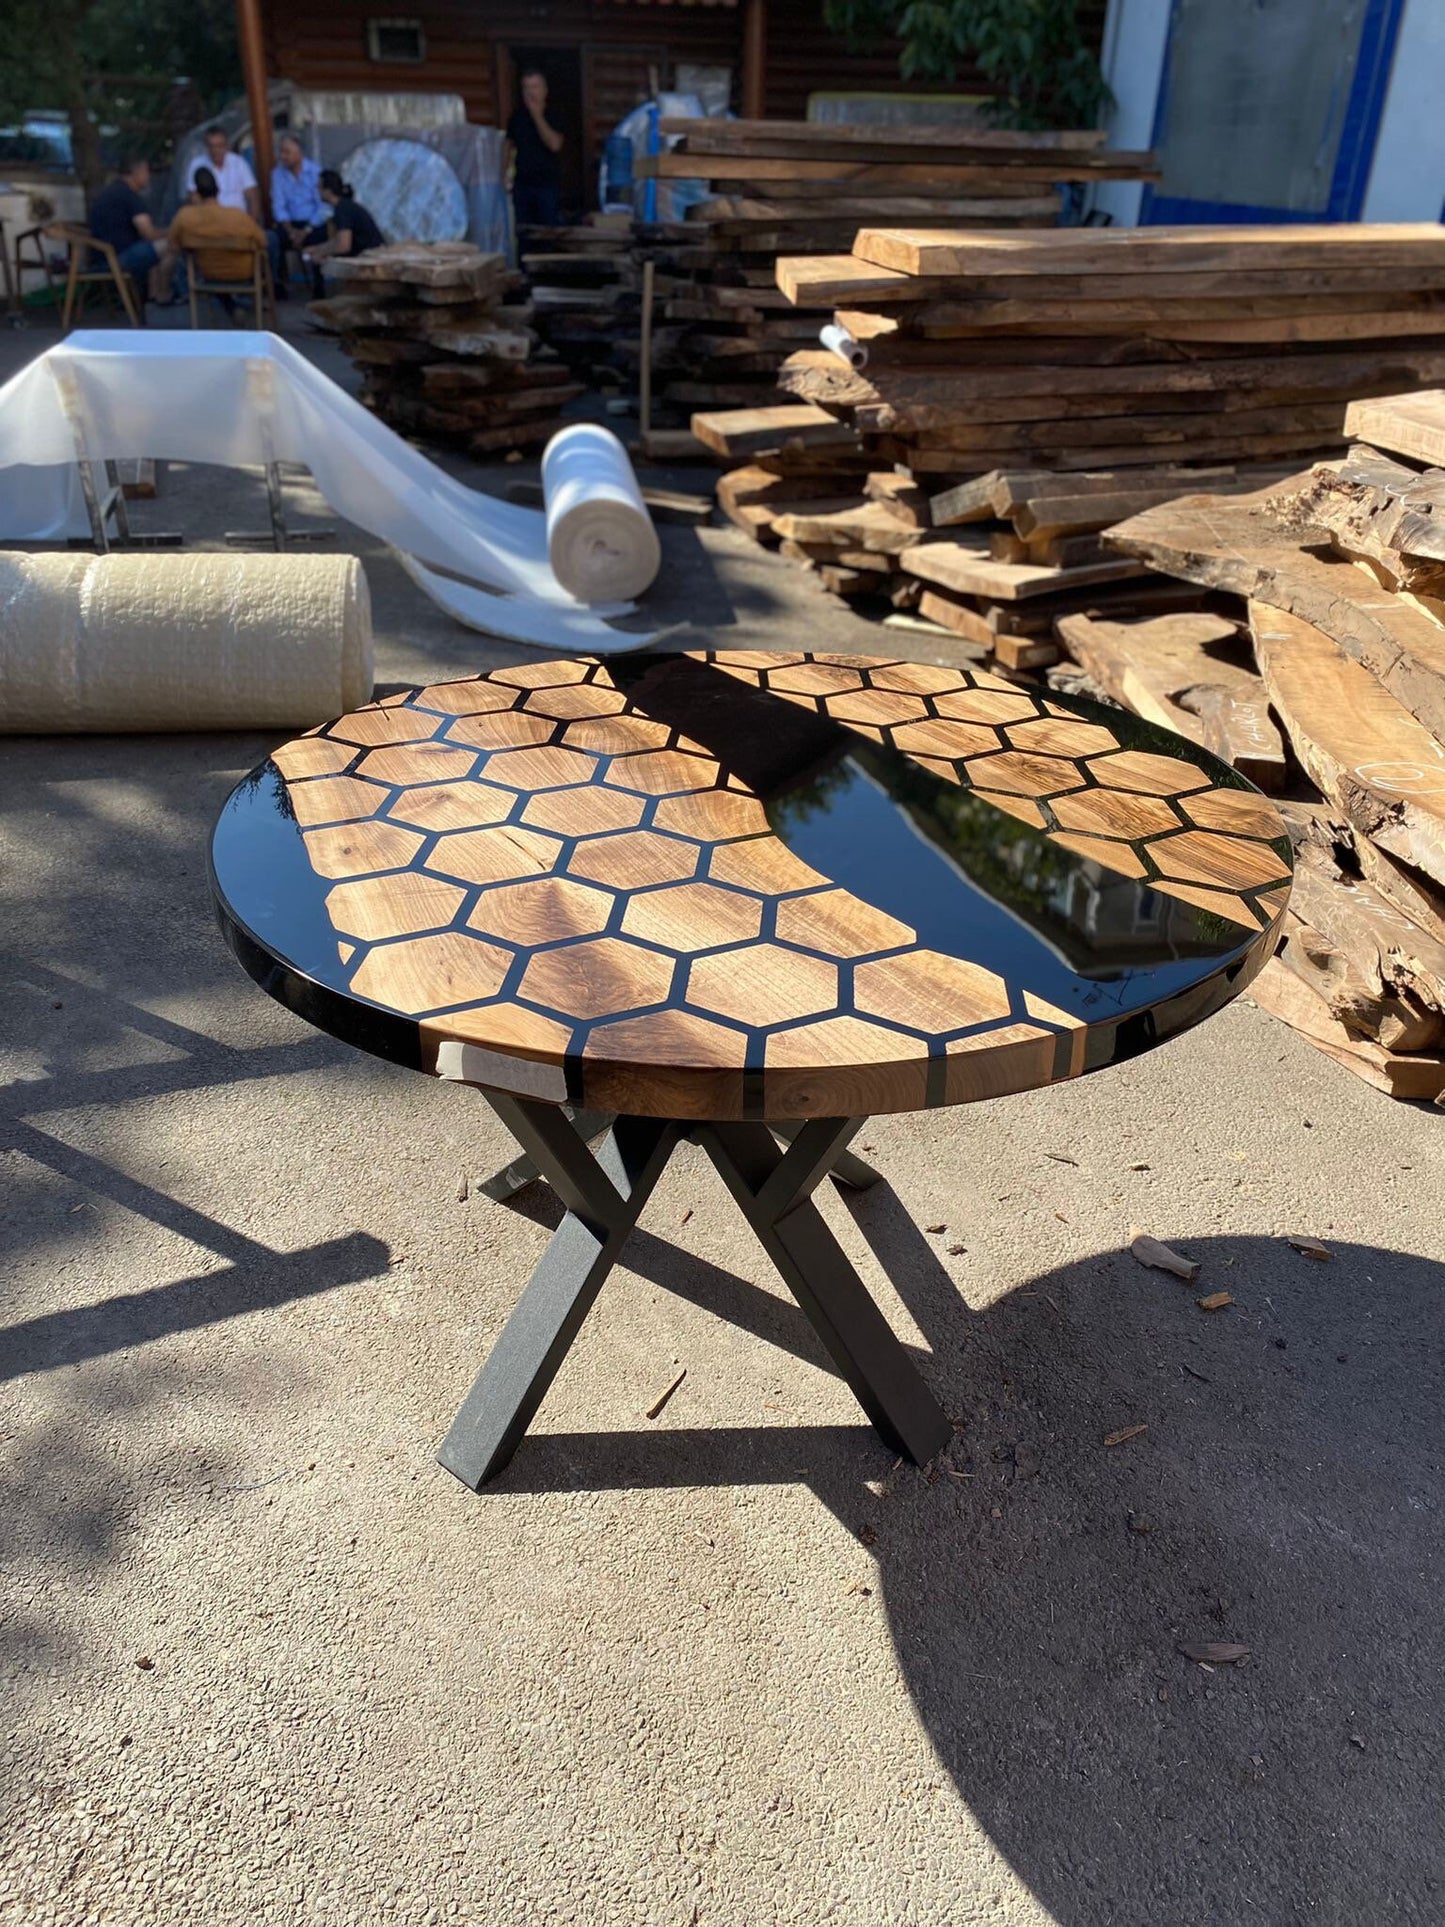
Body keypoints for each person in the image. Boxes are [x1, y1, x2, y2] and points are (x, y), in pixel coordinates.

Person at [164, 165, 268, 315]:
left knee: (205, 260)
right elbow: (262, 242)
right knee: (270, 241)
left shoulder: (184, 217)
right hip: (244, 274)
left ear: (197, 193)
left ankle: (232, 308)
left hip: (208, 274)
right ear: (218, 190)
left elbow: (172, 245)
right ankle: (263, 298)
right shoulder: (238, 216)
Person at [86, 156, 169, 303]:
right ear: (137, 172)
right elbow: (149, 233)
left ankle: (152, 295)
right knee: (170, 244)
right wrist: (173, 232)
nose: (149, 176)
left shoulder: (112, 191)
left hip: (101, 258)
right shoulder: (129, 196)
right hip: (116, 259)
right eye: (146, 171)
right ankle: (162, 297)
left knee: (154, 249)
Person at [268, 133, 328, 297]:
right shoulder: (277, 174)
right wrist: (290, 230)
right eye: (281, 152)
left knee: (319, 238)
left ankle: (319, 284)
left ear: (299, 153)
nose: (282, 156)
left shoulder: (315, 172)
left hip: (312, 223)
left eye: (287, 152)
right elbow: (278, 206)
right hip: (290, 224)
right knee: (271, 239)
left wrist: (306, 230)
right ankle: (277, 284)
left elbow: (322, 206)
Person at [506, 68, 563, 230]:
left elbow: (555, 145)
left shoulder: (553, 114)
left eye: (535, 87)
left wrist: (537, 115)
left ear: (545, 90)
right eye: (526, 87)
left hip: (547, 185)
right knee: (524, 233)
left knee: (548, 232)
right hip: (522, 185)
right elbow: (508, 145)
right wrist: (503, 174)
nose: (530, 92)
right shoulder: (517, 117)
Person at [301, 172, 385, 282]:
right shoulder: (344, 206)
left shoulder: (343, 210)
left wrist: (322, 253)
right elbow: (339, 240)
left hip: (370, 257)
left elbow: (343, 245)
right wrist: (317, 249)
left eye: (319, 188)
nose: (317, 192)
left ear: (328, 191)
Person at [185, 126, 260, 220]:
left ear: (227, 146)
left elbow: (252, 196)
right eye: (212, 146)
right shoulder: (197, 165)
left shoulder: (239, 163)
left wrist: (251, 224)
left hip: (239, 221)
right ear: (206, 147)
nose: (216, 150)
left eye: (220, 146)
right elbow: (194, 197)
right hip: (211, 221)